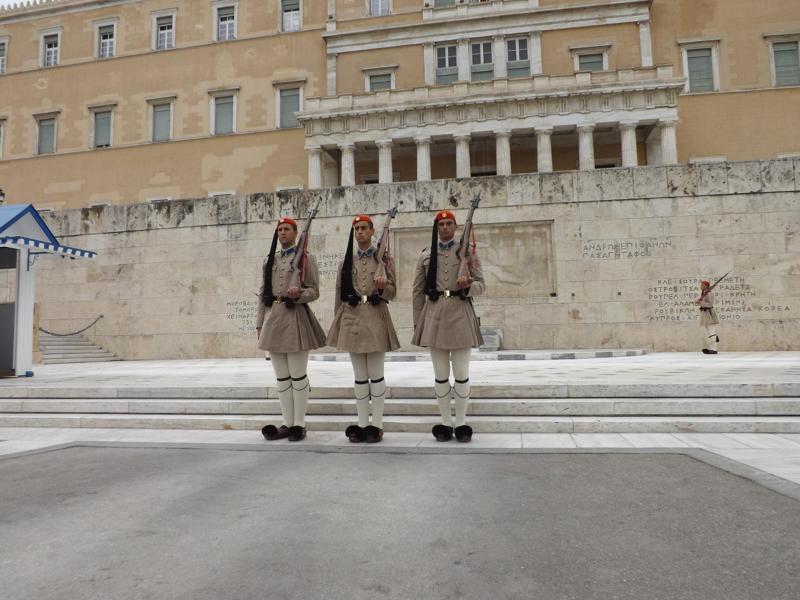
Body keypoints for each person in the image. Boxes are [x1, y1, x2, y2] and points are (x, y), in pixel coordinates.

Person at [412, 210, 485, 443]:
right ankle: (445, 422)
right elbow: (417, 292)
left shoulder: (468, 252)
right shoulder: (425, 255)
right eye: (441, 224)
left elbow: (482, 285)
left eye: (449, 223)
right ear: (436, 227)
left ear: (455, 226)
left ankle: (461, 422)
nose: (444, 227)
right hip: (434, 316)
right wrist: (418, 324)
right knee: (441, 375)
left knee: (462, 374)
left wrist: (468, 286)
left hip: (460, 311)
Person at [327, 214, 400, 443]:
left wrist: (383, 286)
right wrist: (338, 321)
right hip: (353, 317)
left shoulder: (384, 260)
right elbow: (339, 293)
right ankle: (361, 423)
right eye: (356, 228)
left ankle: (376, 425)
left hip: (376, 316)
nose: (360, 232)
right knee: (359, 377)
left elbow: (392, 293)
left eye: (364, 228)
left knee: (376, 375)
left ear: (371, 232)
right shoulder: (346, 261)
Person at [257, 217, 326, 442]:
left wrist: (299, 295)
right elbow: (263, 292)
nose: (282, 233)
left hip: (295, 316)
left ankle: (299, 423)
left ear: (295, 232)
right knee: (282, 378)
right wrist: (260, 323)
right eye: (279, 229)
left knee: (298, 375)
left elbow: (314, 291)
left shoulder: (306, 259)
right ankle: (287, 423)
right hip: (274, 319)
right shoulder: (270, 260)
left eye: (287, 229)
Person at [694, 279, 719, 355]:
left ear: (705, 286)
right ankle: (712, 347)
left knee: (711, 331)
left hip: (709, 313)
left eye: (702, 285)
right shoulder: (704, 293)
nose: (700, 286)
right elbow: (702, 302)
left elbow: (710, 304)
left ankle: (714, 349)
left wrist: (700, 302)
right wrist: (698, 301)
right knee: (709, 331)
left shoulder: (709, 293)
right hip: (705, 313)